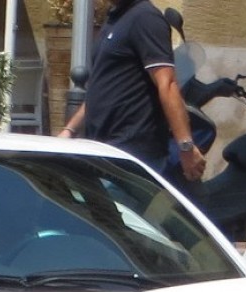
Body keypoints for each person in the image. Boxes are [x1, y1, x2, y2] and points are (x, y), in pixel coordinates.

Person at [56, 0, 205, 189]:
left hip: (131, 155)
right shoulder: (115, 18)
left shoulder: (146, 18)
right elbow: (101, 88)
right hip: (104, 149)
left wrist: (186, 147)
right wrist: (69, 130)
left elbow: (167, 84)